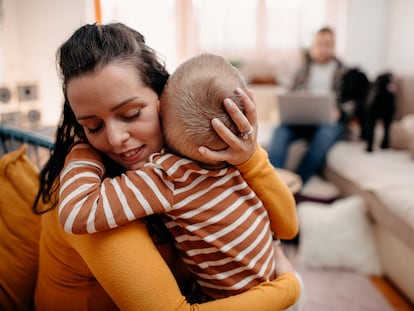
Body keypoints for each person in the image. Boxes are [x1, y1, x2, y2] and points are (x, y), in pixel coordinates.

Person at [33, 22, 300, 310]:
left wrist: (250, 159)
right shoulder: (94, 194)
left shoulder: (192, 153)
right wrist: (287, 288)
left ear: (163, 98)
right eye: (92, 126)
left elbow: (287, 228)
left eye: (131, 114)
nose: (115, 139)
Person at [267, 26, 348, 185]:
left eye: (327, 44)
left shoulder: (344, 72)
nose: (323, 49)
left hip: (328, 123)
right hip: (300, 121)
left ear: (333, 46)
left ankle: (298, 184)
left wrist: (340, 112)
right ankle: (273, 184)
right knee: (280, 131)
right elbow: (289, 95)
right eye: (319, 44)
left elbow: (352, 102)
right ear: (312, 46)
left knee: (324, 135)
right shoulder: (302, 70)